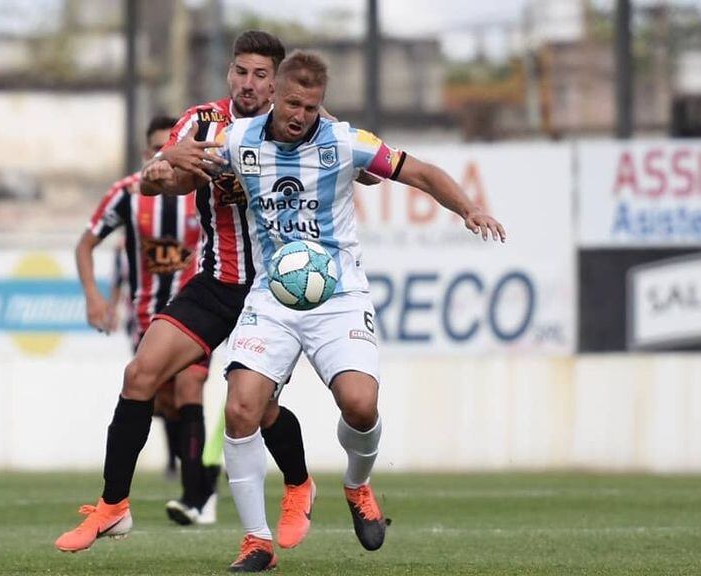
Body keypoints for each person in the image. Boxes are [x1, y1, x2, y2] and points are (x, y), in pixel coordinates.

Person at [160, 51, 507, 572]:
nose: (301, 115)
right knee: (240, 408)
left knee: (360, 405)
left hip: (338, 293)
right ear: (274, 93)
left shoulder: (345, 142)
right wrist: (162, 164)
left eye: (312, 105)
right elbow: (175, 169)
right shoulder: (238, 139)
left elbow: (424, 173)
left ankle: (358, 485)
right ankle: (256, 542)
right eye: (294, 102)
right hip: (272, 293)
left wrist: (470, 209)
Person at [55, 30, 315, 554]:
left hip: (271, 293)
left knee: (256, 412)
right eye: (240, 71)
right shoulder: (202, 123)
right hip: (216, 283)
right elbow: (163, 180)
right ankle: (113, 508)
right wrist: (159, 170)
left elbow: (346, 166)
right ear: (229, 73)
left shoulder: (302, 127)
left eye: (261, 74)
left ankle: (298, 485)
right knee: (140, 374)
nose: (248, 83)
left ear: (278, 81)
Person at [74, 115, 221, 525]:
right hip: (147, 317)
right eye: (162, 146)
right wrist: (94, 297)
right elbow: (86, 243)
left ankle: (197, 499)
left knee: (190, 385)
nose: (172, 153)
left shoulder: (207, 187)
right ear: (149, 153)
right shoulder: (126, 194)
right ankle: (202, 478)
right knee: (167, 401)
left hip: (200, 308)